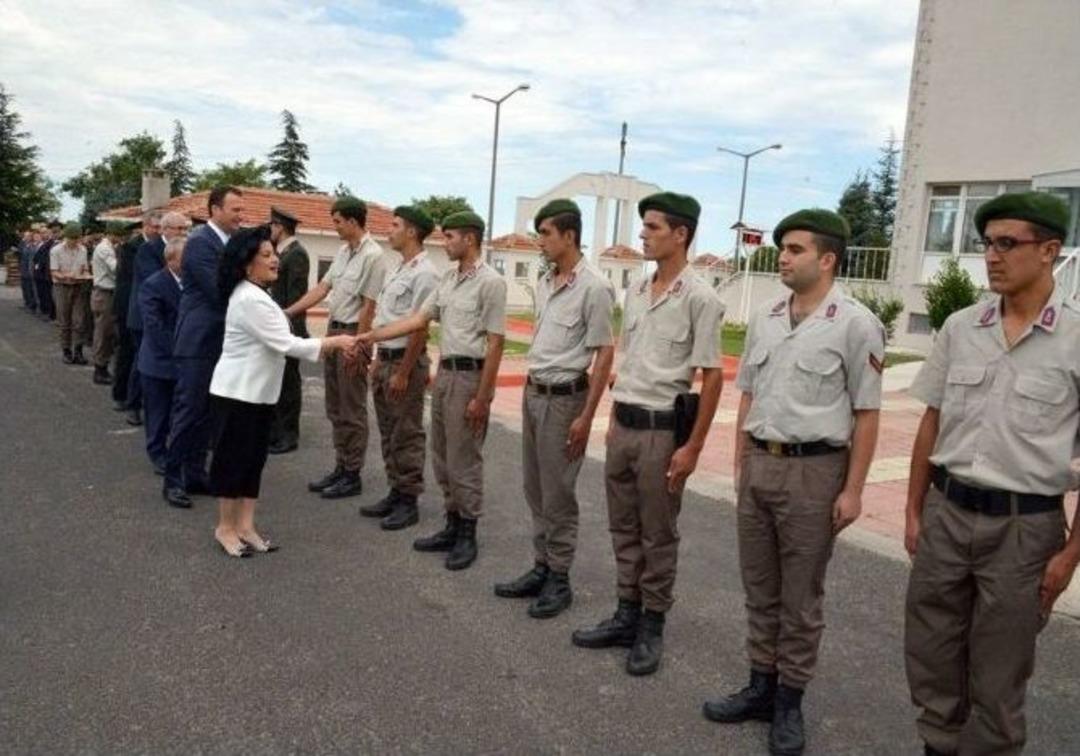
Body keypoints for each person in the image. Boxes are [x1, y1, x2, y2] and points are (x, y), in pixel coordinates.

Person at [904, 191, 1080, 756]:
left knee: (999, 677)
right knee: (932, 653)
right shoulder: (960, 326)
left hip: (1023, 533)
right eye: (988, 244)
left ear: (1050, 250)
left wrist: (1069, 556)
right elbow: (931, 425)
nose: (992, 256)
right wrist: (913, 512)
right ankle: (938, 747)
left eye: (1008, 243)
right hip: (947, 515)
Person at [702, 209, 884, 756]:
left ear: (827, 259)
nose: (782, 256)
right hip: (760, 464)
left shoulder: (855, 323)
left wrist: (852, 490)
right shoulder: (767, 316)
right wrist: (740, 462)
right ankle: (760, 684)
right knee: (760, 587)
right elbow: (750, 394)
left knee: (800, 597)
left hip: (815, 471)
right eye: (782, 247)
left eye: (796, 249)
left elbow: (867, 413)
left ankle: (789, 702)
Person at [571, 192, 725, 676]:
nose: (642, 234)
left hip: (663, 432)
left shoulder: (702, 298)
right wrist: (614, 420)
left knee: (657, 532)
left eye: (653, 226)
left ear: (680, 234)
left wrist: (693, 447)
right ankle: (625, 611)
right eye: (644, 226)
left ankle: (652, 622)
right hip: (626, 425)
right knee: (622, 525)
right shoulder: (637, 291)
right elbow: (627, 358)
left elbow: (712, 376)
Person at [358, 210, 507, 570]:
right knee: (442, 456)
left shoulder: (491, 282)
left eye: (451, 237)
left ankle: (468, 533)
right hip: (445, 376)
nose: (445, 243)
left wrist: (483, 397)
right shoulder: (449, 279)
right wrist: (371, 336)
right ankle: (452, 525)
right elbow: (418, 320)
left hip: (470, 377)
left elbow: (496, 343)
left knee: (464, 459)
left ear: (469, 239)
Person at [493, 198, 616, 619]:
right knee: (535, 488)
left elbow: (604, 354)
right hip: (534, 394)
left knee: (559, 493)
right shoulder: (547, 281)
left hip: (566, 401)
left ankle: (559, 578)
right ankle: (541, 566)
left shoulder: (594, 287)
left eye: (546, 233)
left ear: (569, 235)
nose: (540, 241)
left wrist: (586, 417)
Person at [208, 226, 355, 556]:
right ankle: (225, 528)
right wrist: (335, 342)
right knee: (233, 462)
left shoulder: (260, 294)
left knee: (253, 462)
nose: (275, 260)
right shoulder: (249, 299)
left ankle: (246, 526)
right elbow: (287, 344)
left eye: (274, 254)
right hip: (237, 395)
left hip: (257, 394)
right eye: (266, 256)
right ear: (247, 264)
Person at [283, 197, 399, 499]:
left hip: (351, 336)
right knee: (335, 406)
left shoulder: (373, 256)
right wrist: (288, 312)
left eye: (337, 221)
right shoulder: (344, 252)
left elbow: (369, 306)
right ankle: (340, 465)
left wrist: (358, 347)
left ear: (352, 221)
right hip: (334, 334)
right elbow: (323, 289)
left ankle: (352, 473)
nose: (334, 227)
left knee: (352, 407)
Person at [358, 204, 439, 530]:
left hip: (406, 363)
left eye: (395, 225)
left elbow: (420, 327)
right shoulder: (397, 268)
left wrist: (405, 372)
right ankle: (395, 490)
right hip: (386, 361)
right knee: (389, 431)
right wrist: (378, 359)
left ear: (412, 232)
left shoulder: (426, 273)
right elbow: (388, 318)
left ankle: (409, 500)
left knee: (406, 432)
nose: (388, 230)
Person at [164, 186, 243, 509]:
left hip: (219, 343)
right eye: (235, 209)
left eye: (242, 209)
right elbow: (219, 291)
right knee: (189, 412)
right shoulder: (199, 243)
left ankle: (196, 475)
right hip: (198, 342)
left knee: (209, 415)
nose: (241, 215)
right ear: (215, 210)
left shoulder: (229, 243)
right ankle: (173, 480)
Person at [138, 237, 185, 482]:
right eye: (184, 258)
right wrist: (181, 348)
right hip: (159, 362)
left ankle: (178, 453)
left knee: (179, 413)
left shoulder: (192, 283)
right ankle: (157, 454)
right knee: (157, 414)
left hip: (184, 363)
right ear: (171, 260)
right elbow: (155, 327)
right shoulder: (154, 285)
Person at [267, 206, 310, 455]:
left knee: (289, 384)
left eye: (272, 225)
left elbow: (294, 296)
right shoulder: (281, 253)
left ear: (280, 227)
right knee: (276, 381)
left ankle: (288, 435)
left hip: (288, 327)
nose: (270, 229)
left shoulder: (296, 254)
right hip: (276, 325)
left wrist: (284, 325)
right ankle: (275, 432)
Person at [125, 210, 170, 426]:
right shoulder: (148, 249)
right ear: (165, 229)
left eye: (185, 229)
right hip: (144, 316)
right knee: (141, 362)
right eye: (178, 228)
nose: (183, 232)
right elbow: (155, 281)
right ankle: (133, 404)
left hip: (164, 316)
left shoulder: (179, 249)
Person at [112, 217, 154, 413]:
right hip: (129, 304)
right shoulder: (131, 247)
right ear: (146, 226)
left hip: (142, 305)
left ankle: (135, 396)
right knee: (127, 351)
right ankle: (121, 395)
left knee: (138, 353)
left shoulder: (156, 246)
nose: (158, 230)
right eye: (155, 227)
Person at [89, 223, 125, 385]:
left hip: (108, 292)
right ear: (113, 235)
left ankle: (102, 365)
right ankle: (100, 368)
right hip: (104, 293)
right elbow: (116, 268)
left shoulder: (108, 247)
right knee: (103, 332)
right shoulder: (105, 248)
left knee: (108, 331)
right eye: (119, 236)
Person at [50, 222, 90, 365]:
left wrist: (86, 275)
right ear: (66, 237)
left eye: (77, 238)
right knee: (64, 321)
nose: (75, 241)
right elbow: (54, 271)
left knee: (79, 321)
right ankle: (66, 351)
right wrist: (68, 276)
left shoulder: (83, 250)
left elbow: (85, 269)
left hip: (79, 287)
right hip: (61, 287)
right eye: (72, 238)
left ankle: (78, 351)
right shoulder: (56, 250)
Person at [32, 220, 61, 321]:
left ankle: (53, 315)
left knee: (53, 296)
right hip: (47, 274)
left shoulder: (60, 243)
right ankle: (50, 314)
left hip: (56, 274)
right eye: (53, 232)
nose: (54, 234)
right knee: (48, 295)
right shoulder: (48, 244)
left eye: (56, 232)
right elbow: (38, 257)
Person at [18, 229, 39, 313]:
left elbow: (31, 260)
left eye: (27, 236)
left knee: (30, 289)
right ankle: (27, 303)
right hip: (23, 269)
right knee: (25, 288)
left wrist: (30, 271)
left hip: (28, 270)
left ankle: (31, 305)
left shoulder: (32, 247)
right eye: (25, 236)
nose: (25, 238)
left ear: (31, 237)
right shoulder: (25, 245)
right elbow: (20, 251)